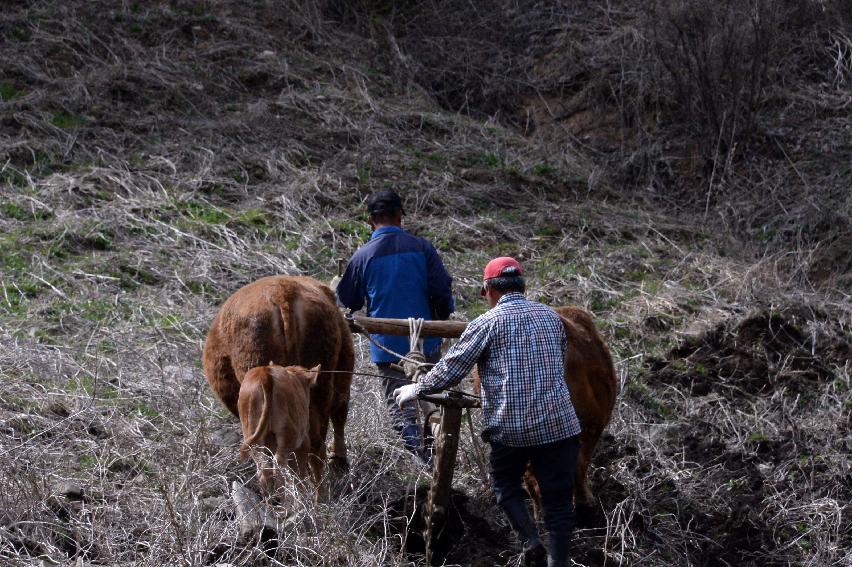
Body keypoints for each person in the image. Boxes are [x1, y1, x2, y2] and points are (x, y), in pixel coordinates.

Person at [393, 256, 580, 567]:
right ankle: (558, 562)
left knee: (505, 483)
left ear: (489, 291)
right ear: (523, 286)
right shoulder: (551, 318)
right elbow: (558, 364)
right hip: (559, 425)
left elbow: (453, 369)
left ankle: (531, 541)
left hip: (511, 429)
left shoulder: (487, 323)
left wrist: (418, 387)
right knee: (560, 503)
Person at [336, 189, 454, 465]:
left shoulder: (363, 256)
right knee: (432, 399)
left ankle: (418, 462)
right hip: (427, 342)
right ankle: (437, 456)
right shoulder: (423, 248)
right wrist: (440, 316)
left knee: (400, 408)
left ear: (370, 222)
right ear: (401, 217)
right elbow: (441, 291)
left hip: (387, 348)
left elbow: (349, 301)